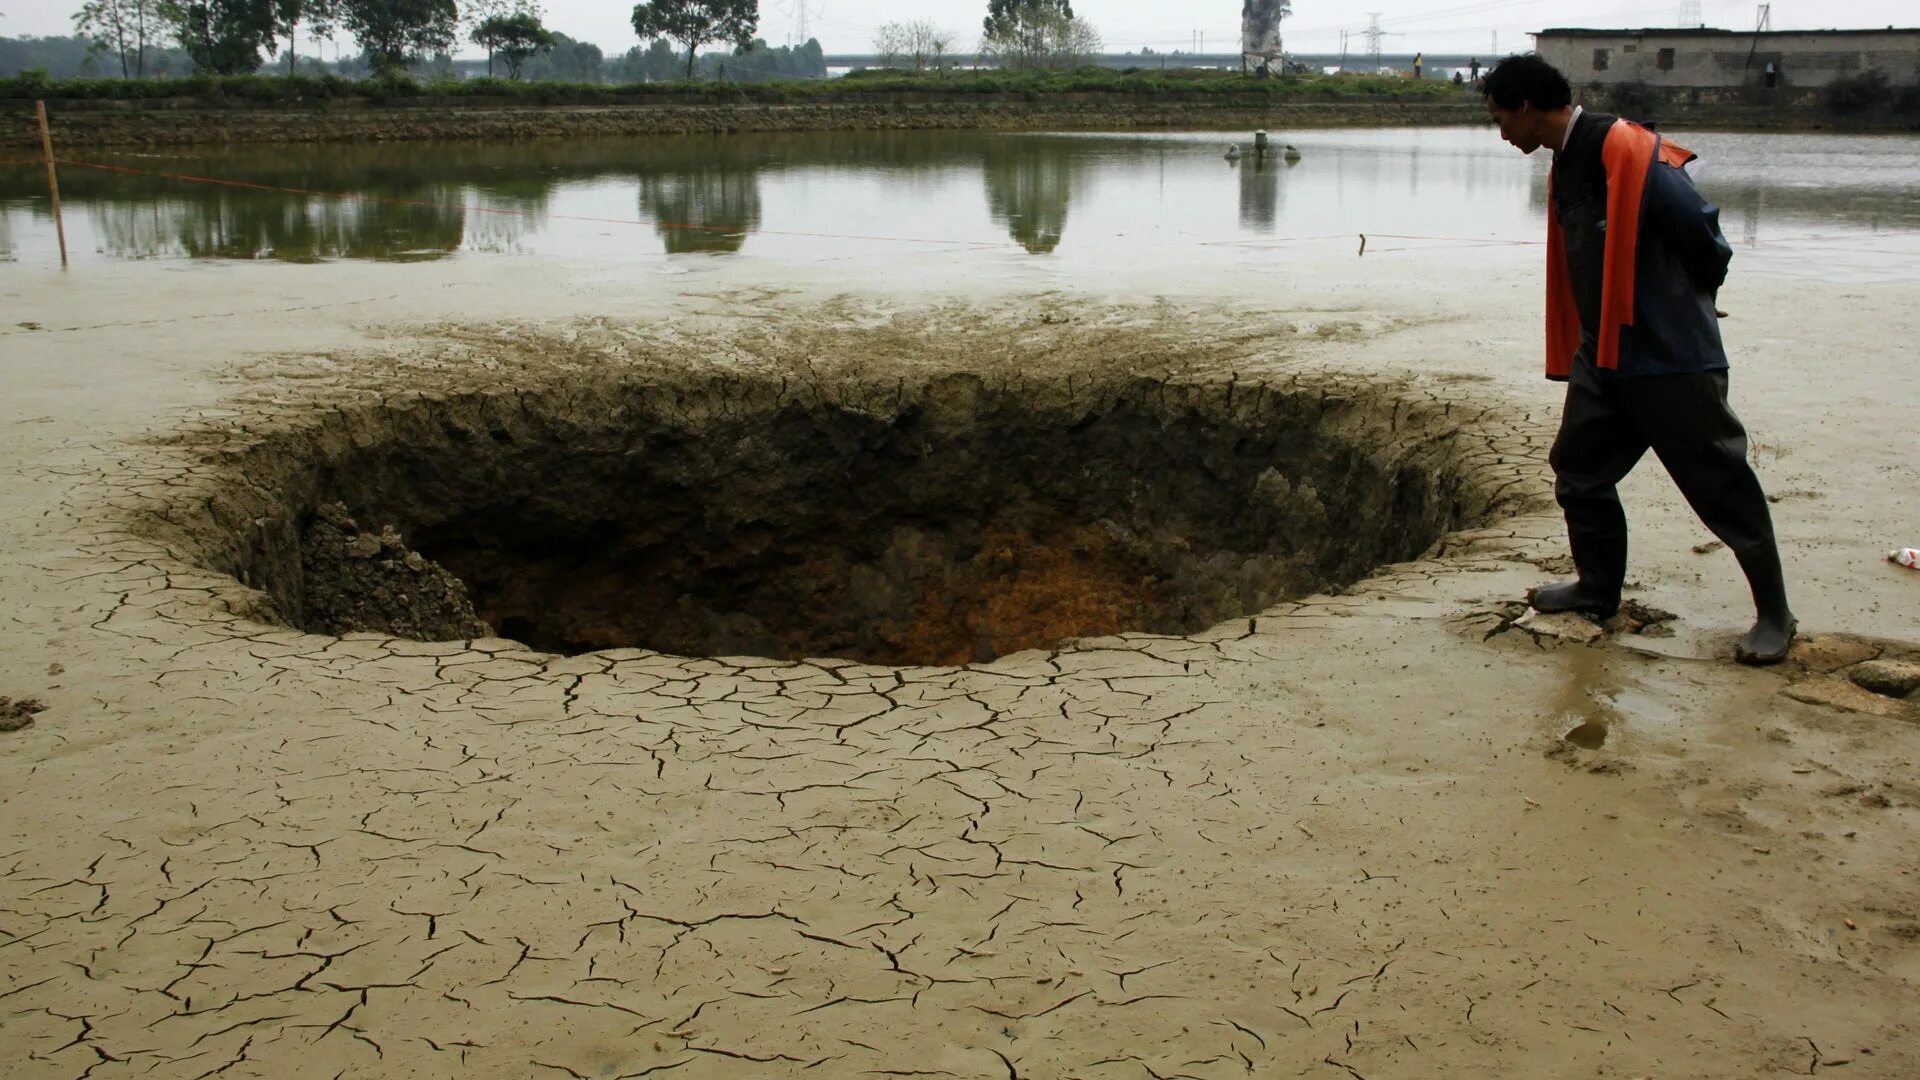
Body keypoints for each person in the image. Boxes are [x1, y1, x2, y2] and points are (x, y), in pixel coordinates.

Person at [1480, 53, 1795, 665]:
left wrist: (1686, 302)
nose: (1501, 133)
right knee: (1578, 469)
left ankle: (1775, 614)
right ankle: (1598, 589)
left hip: (1670, 357)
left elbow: (1705, 237)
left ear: (1525, 107)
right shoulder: (1567, 161)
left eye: (1500, 118)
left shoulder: (1630, 151)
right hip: (1607, 355)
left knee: (1721, 484)